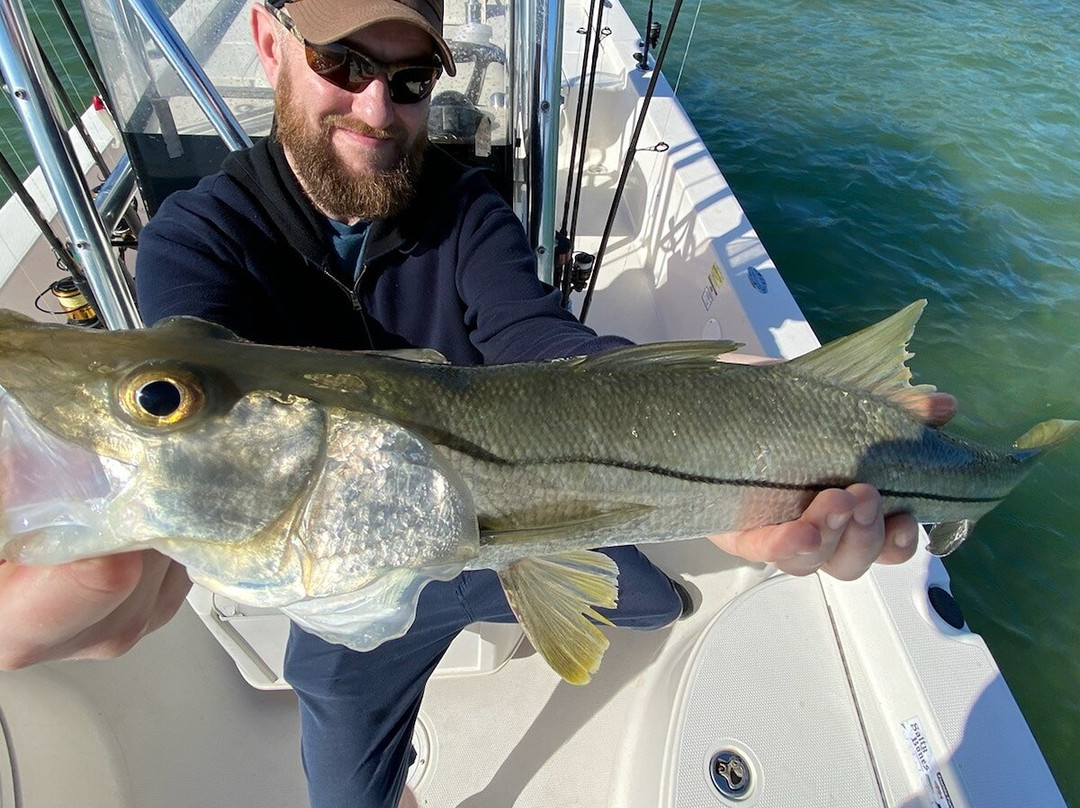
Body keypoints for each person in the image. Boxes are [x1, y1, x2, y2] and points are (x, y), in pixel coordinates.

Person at [0, 0, 957, 806]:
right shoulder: (198, 235)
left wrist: (728, 406)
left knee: (650, 603)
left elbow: (545, 344)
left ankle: (648, 585)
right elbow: (211, 415)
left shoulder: (464, 207)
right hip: (352, 579)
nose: (377, 106)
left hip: (528, 525)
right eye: (340, 62)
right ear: (266, 40)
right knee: (344, 775)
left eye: (410, 79)